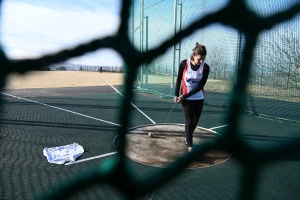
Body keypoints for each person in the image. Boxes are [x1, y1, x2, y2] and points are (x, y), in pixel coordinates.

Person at [174, 43, 210, 152]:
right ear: (194, 55)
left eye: (203, 59)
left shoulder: (205, 67)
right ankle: (190, 146)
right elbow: (178, 79)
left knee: (196, 120)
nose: (201, 61)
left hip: (198, 96)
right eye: (199, 59)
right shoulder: (184, 64)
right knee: (189, 121)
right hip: (186, 97)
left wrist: (184, 95)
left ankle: (187, 137)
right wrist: (176, 95)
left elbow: (200, 86)